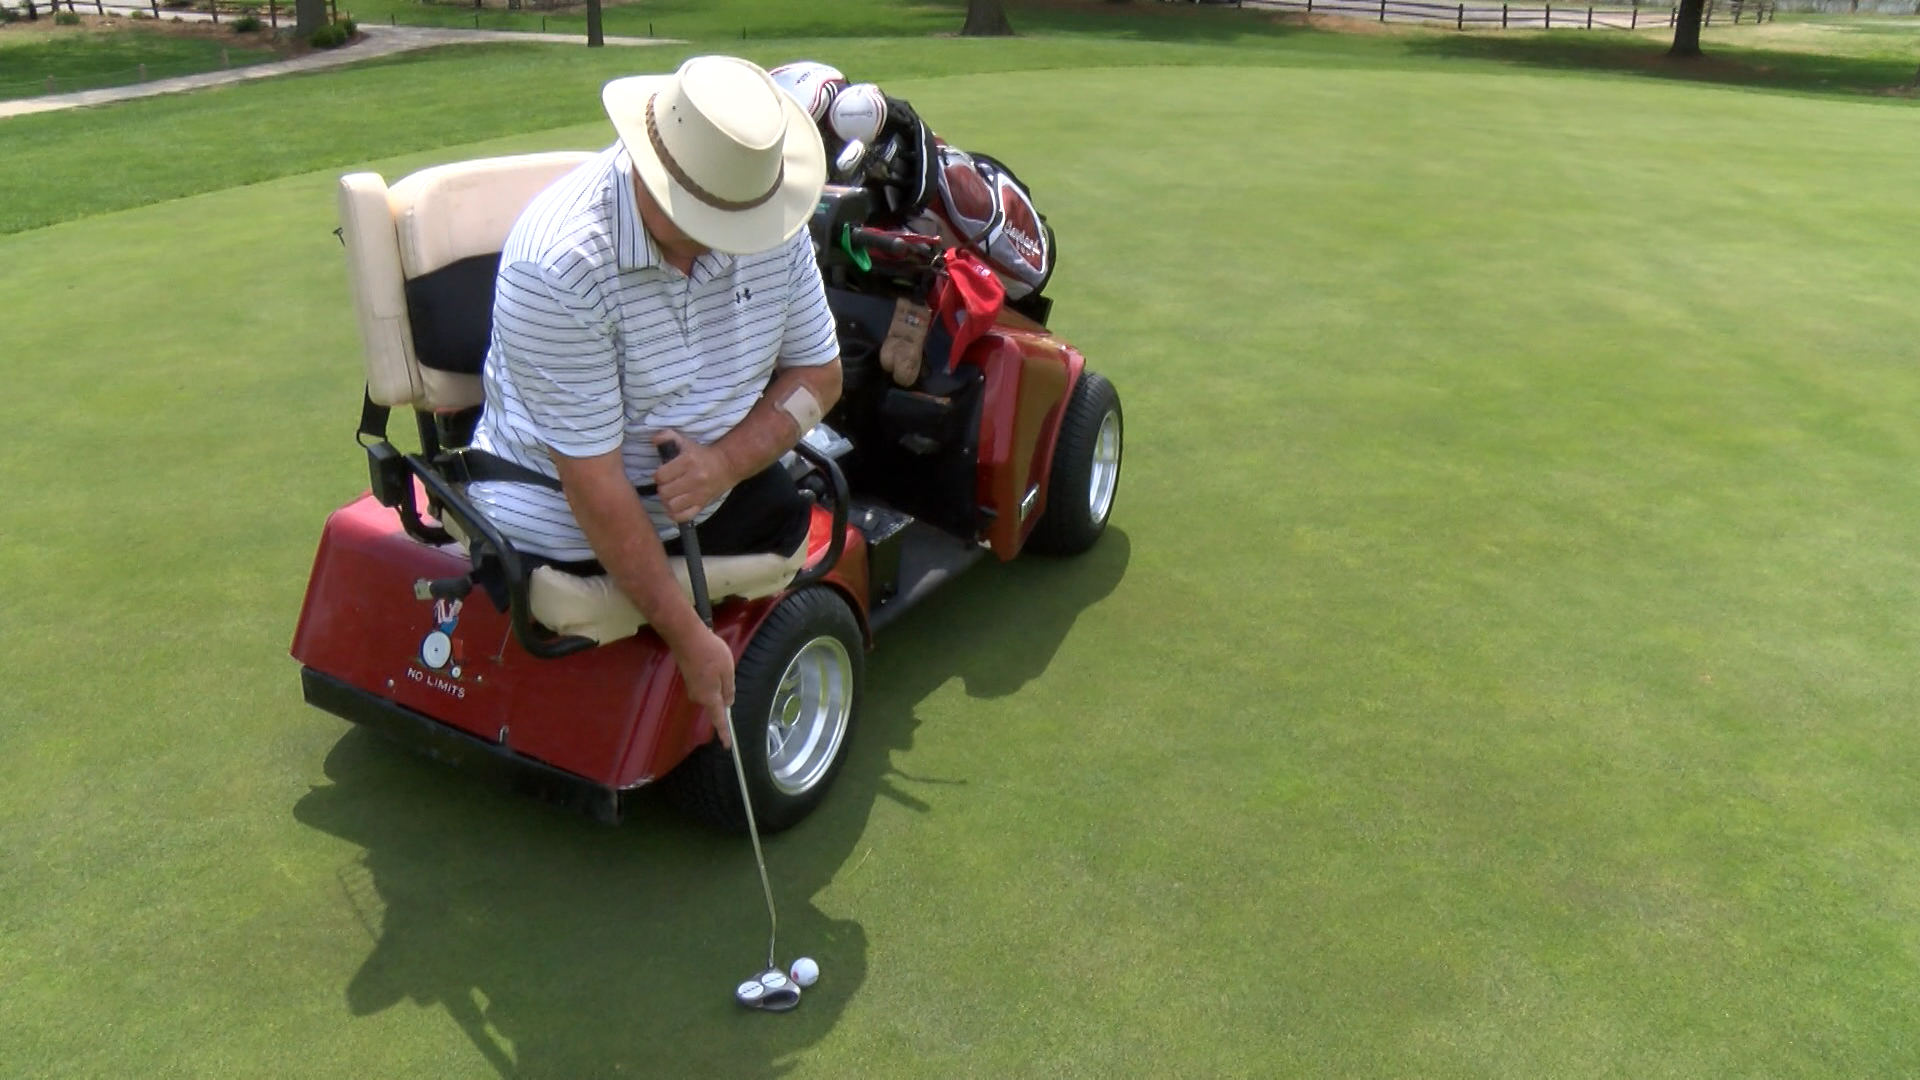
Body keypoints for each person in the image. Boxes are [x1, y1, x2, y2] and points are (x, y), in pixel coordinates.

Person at [465, 55, 842, 747]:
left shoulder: (768, 212)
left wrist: (723, 465)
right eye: (707, 216)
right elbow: (595, 487)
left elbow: (819, 376)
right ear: (650, 170)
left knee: (790, 514)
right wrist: (689, 637)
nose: (731, 241)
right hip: (565, 512)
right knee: (790, 513)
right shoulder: (559, 264)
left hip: (705, 494)